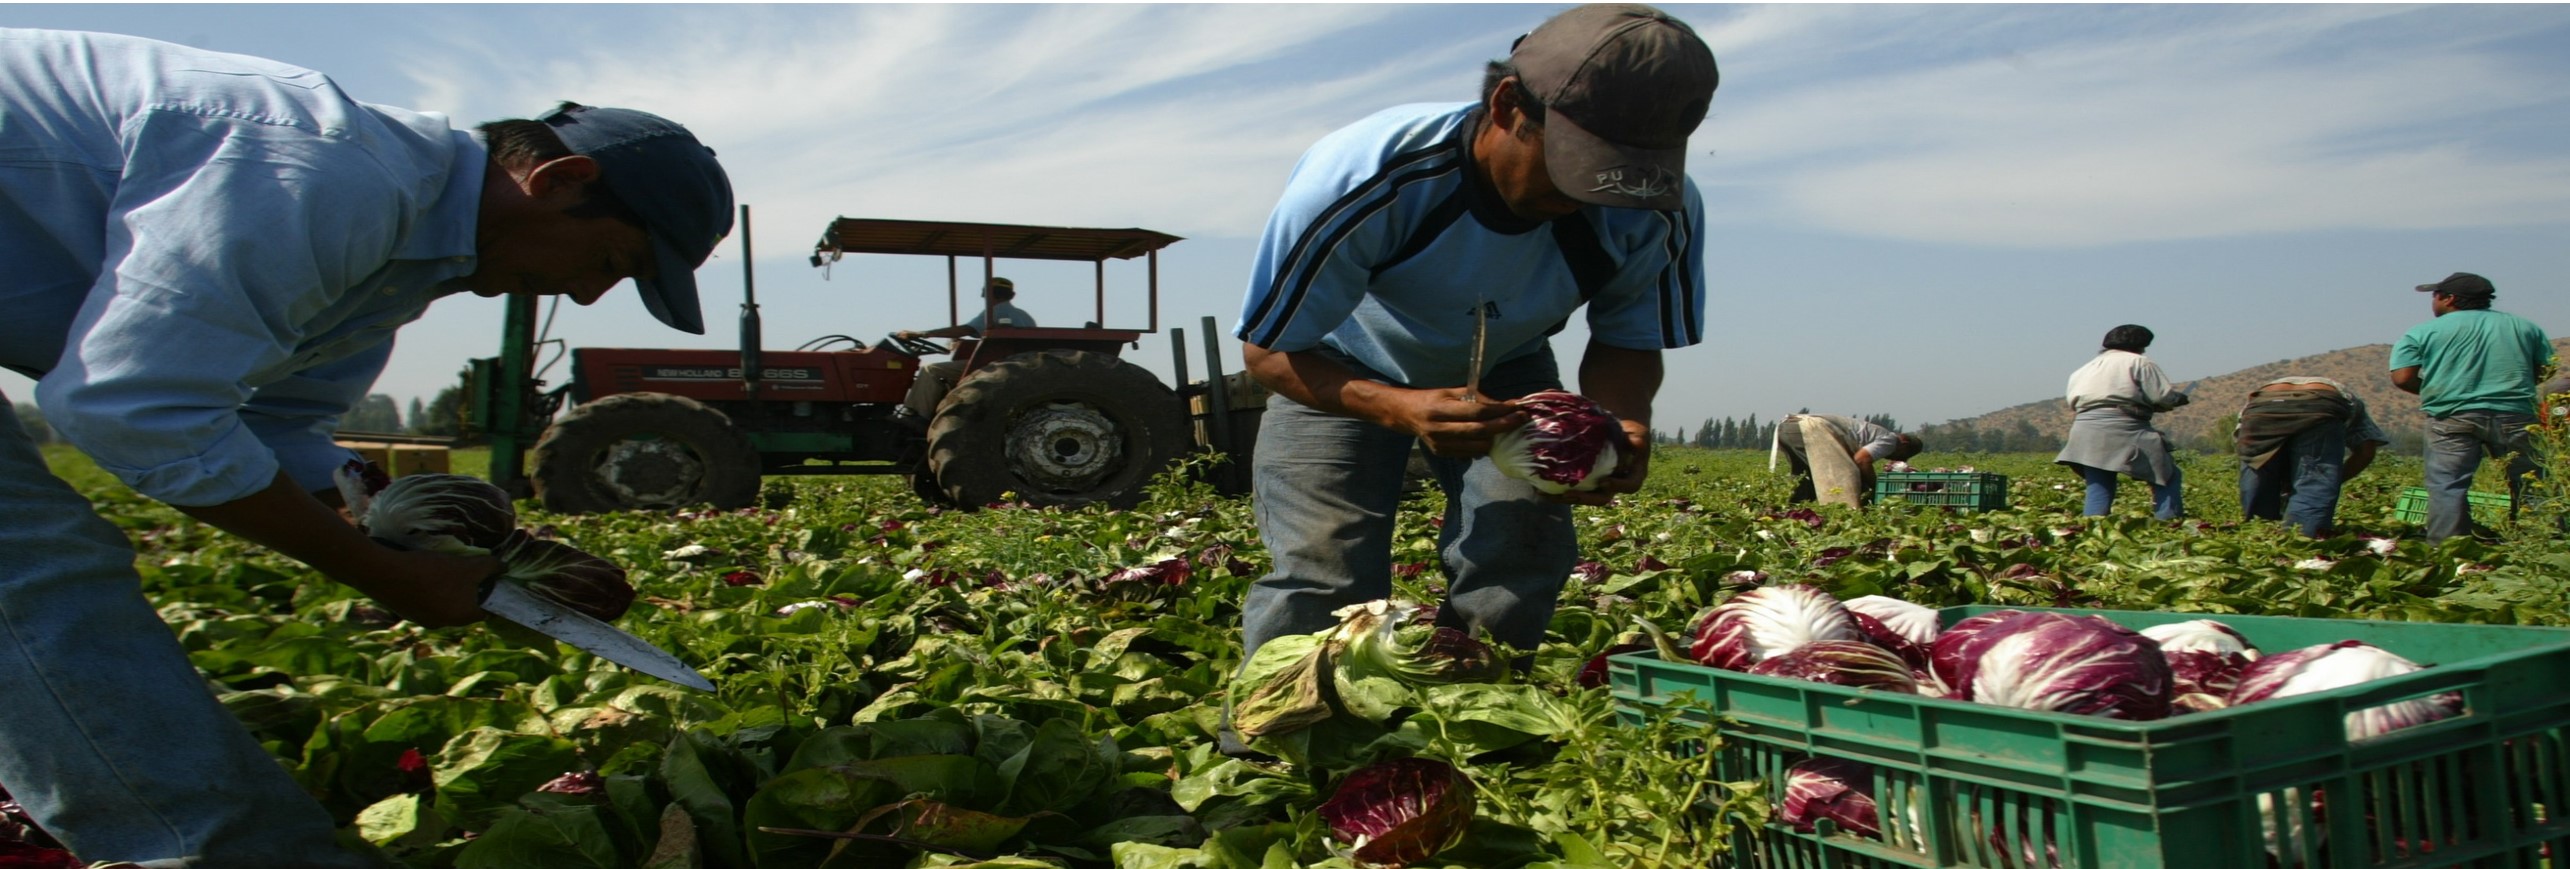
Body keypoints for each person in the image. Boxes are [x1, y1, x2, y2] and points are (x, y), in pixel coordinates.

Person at [0, 29, 732, 867]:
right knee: (24, 560)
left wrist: (468, 546)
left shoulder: (397, 266)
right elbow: (131, 405)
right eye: (608, 261)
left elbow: (278, 430)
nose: (590, 293)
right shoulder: (326, 172)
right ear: (560, 180)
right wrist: (383, 573)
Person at [1225, 3, 1713, 755]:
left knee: (1521, 549)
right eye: (1574, 166)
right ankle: (1273, 758)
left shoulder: (1653, 210)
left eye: (1620, 176)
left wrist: (1624, 417)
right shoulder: (1369, 175)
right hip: (1336, 365)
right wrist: (1395, 406)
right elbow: (1270, 351)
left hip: (1511, 367)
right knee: (1324, 567)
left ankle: (1468, 732)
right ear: (1507, 106)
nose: (1590, 196)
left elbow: (1626, 337)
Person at [2391, 272, 2552, 541]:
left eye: (2435, 295)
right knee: (2530, 482)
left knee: (2448, 485)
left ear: (2449, 299)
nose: (2434, 301)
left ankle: (2449, 550)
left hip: (2452, 416)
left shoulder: (2422, 332)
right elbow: (2545, 369)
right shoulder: (2525, 328)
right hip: (2516, 414)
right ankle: (2536, 543)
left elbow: (2402, 377)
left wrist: (2441, 392)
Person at [2056, 324, 2190, 519]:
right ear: (2139, 345)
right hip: (2123, 426)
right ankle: (2168, 524)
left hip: (2085, 428)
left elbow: (2079, 401)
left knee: (2099, 482)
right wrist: (2178, 399)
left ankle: (2093, 530)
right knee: (2166, 476)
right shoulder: (2139, 362)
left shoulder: (2084, 369)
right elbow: (2162, 397)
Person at [2235, 377, 2390, 536]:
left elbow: (2249, 454)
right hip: (2321, 404)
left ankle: (2261, 533)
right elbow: (2366, 451)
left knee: (2257, 471)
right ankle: (2302, 539)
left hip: (2263, 406)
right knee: (2314, 483)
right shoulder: (2346, 396)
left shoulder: (2255, 400)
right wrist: (2333, 479)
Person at [896, 277, 1036, 421]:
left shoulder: (995, 312)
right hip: (1015, 363)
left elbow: (966, 329)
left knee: (930, 370)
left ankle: (917, 415)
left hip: (993, 365)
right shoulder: (1024, 316)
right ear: (1011, 295)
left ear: (986, 294)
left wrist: (925, 334)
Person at [1776, 413, 1922, 508]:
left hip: (1787, 428)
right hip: (1810, 429)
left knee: (1805, 476)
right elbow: (1861, 460)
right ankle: (1842, 515)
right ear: (1904, 443)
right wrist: (1874, 486)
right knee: (1844, 475)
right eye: (1904, 455)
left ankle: (1790, 510)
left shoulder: (1877, 433)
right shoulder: (1891, 441)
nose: (1898, 459)